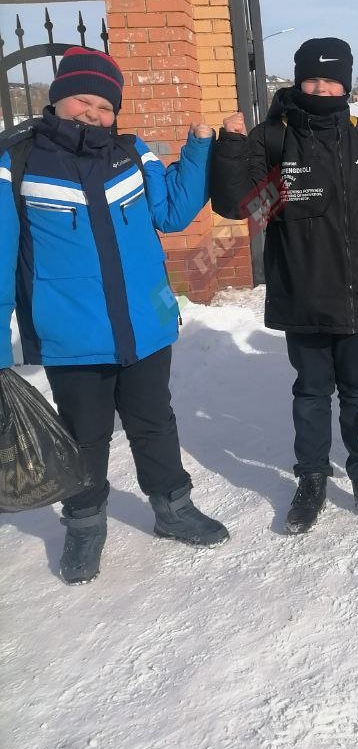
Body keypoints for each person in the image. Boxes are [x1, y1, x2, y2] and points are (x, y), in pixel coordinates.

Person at [0, 46, 226, 585]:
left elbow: (171, 212)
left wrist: (197, 149)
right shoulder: (19, 163)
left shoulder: (130, 152)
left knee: (154, 420)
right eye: (84, 101)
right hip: (71, 334)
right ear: (58, 99)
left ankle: (172, 507)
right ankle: (84, 522)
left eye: (105, 107)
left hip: (145, 325)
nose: (94, 115)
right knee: (85, 432)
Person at [211, 38, 358, 529]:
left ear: (346, 82)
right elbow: (243, 207)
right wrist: (233, 148)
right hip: (302, 293)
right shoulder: (274, 139)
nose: (322, 88)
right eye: (313, 79)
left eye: (332, 79)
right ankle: (312, 476)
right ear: (299, 80)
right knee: (311, 391)